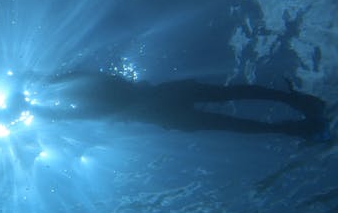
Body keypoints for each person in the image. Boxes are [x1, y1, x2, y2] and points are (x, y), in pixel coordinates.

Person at [32, 71, 332, 141]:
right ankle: (296, 106)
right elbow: (77, 94)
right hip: (165, 100)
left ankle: (298, 125)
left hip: (162, 111)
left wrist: (39, 108)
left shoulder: (89, 98)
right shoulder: (91, 86)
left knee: (232, 120)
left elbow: (69, 112)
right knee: (229, 98)